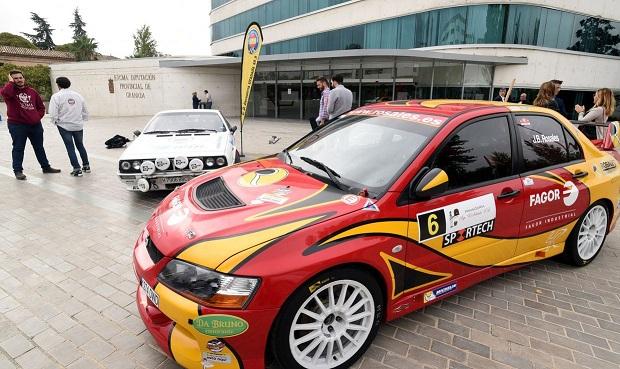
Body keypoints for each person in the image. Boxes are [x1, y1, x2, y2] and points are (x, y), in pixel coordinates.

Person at [0, 70, 61, 180]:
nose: (19, 80)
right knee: (18, 148)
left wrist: (36, 117)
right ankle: (18, 171)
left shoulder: (32, 91)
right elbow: (6, 93)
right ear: (11, 80)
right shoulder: (9, 91)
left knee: (39, 147)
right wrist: (10, 83)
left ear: (24, 78)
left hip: (35, 125)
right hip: (17, 125)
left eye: (20, 77)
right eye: (15, 78)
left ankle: (45, 167)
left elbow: (41, 107)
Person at [49, 77, 90, 177]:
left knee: (70, 147)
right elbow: (85, 111)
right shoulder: (78, 95)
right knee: (80, 145)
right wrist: (82, 120)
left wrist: (55, 121)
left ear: (58, 85)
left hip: (64, 126)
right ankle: (86, 166)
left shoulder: (56, 96)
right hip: (78, 125)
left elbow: (53, 112)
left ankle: (76, 169)